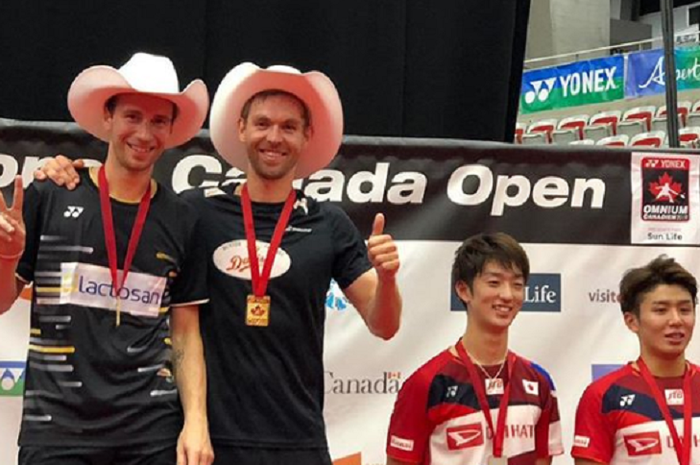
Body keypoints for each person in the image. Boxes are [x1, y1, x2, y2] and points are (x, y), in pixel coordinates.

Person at [36, 62, 403, 464]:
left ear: (307, 135)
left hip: (298, 440)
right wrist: (71, 171)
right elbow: (125, 198)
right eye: (262, 123)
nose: (274, 137)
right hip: (208, 442)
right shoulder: (196, 211)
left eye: (288, 126)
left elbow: (383, 325)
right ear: (241, 128)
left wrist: (387, 280)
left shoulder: (329, 223)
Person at [0, 53, 214, 465]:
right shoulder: (52, 193)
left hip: (150, 432)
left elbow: (186, 333)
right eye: (132, 116)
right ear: (108, 118)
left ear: (170, 131)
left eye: (158, 121)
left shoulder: (183, 217)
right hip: (56, 431)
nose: (144, 133)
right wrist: (7, 258)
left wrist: (196, 422)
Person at [385, 232, 563, 465]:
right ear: (463, 290)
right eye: (494, 283)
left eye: (517, 284)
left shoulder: (539, 382)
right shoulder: (426, 383)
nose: (508, 295)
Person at [571, 255, 698, 465]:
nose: (676, 320)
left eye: (685, 310)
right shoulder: (604, 395)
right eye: (661, 310)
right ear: (632, 321)